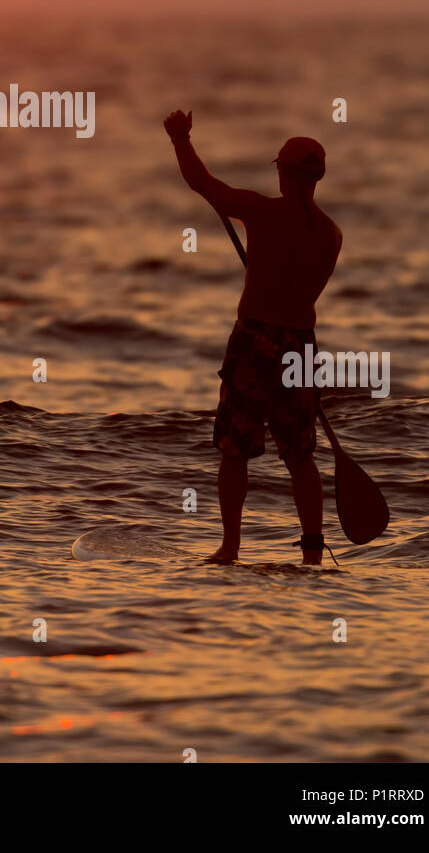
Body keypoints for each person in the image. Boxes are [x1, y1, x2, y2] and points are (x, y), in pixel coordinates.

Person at [163, 109, 342, 565]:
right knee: (301, 455)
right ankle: (312, 557)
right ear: (317, 177)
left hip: (254, 342)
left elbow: (202, 183)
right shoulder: (331, 235)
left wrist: (180, 137)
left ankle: (230, 548)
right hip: (300, 348)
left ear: (283, 172)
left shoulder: (261, 212)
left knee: (234, 451)